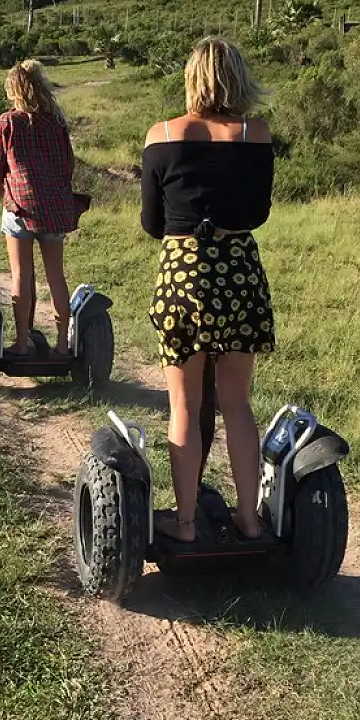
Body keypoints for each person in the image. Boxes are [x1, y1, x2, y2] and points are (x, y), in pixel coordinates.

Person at [141, 37, 275, 542]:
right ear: (238, 78)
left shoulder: (163, 134)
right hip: (240, 271)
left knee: (183, 404)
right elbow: (258, 214)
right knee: (237, 403)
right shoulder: (255, 134)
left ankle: (188, 522)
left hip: (182, 273)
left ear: (191, 77)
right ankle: (248, 516)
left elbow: (154, 222)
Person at [0, 59, 84, 356]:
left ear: (14, 90)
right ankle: (63, 346)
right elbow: (68, 164)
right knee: (57, 276)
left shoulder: (7, 122)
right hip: (55, 208)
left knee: (21, 275)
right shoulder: (56, 121)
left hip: (20, 207)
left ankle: (21, 343)